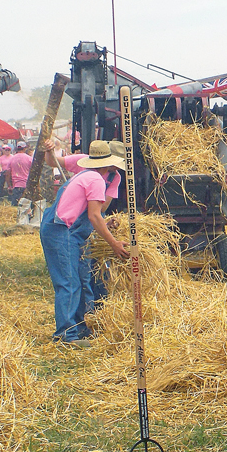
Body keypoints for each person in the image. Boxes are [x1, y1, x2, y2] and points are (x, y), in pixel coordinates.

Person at [39, 141, 129, 346]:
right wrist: (114, 243)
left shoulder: (85, 175)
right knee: (69, 283)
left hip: (68, 230)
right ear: (109, 163)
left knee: (78, 279)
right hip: (61, 230)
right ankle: (66, 335)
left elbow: (87, 214)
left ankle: (79, 328)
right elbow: (94, 216)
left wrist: (105, 224)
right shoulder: (96, 180)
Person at [7, 141, 33, 205]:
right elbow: (33, 172)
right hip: (26, 185)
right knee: (27, 206)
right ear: (25, 148)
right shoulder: (29, 159)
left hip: (16, 185)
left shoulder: (12, 159)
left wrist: (9, 186)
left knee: (16, 206)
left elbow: (8, 173)